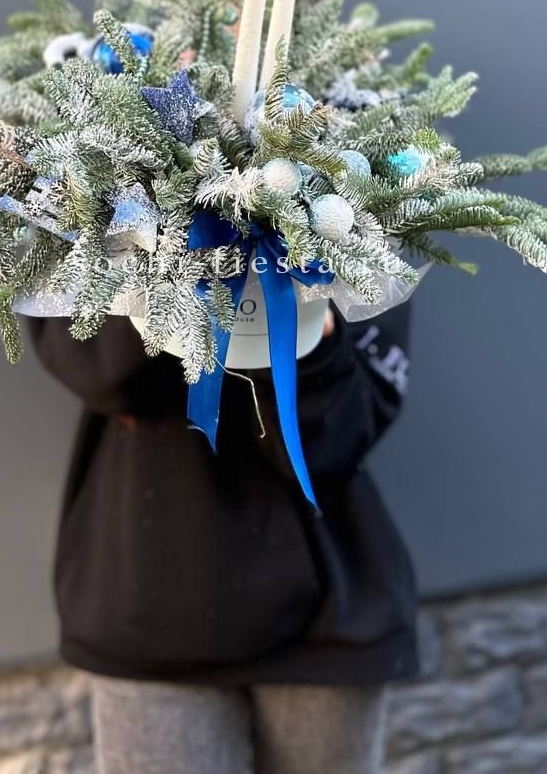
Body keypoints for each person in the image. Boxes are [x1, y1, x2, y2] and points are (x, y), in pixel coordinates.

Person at [27, 294, 417, 774]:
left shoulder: (366, 248)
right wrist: (175, 270)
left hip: (325, 608)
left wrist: (296, 323)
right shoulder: (81, 243)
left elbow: (336, 439)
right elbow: (95, 368)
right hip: (151, 598)